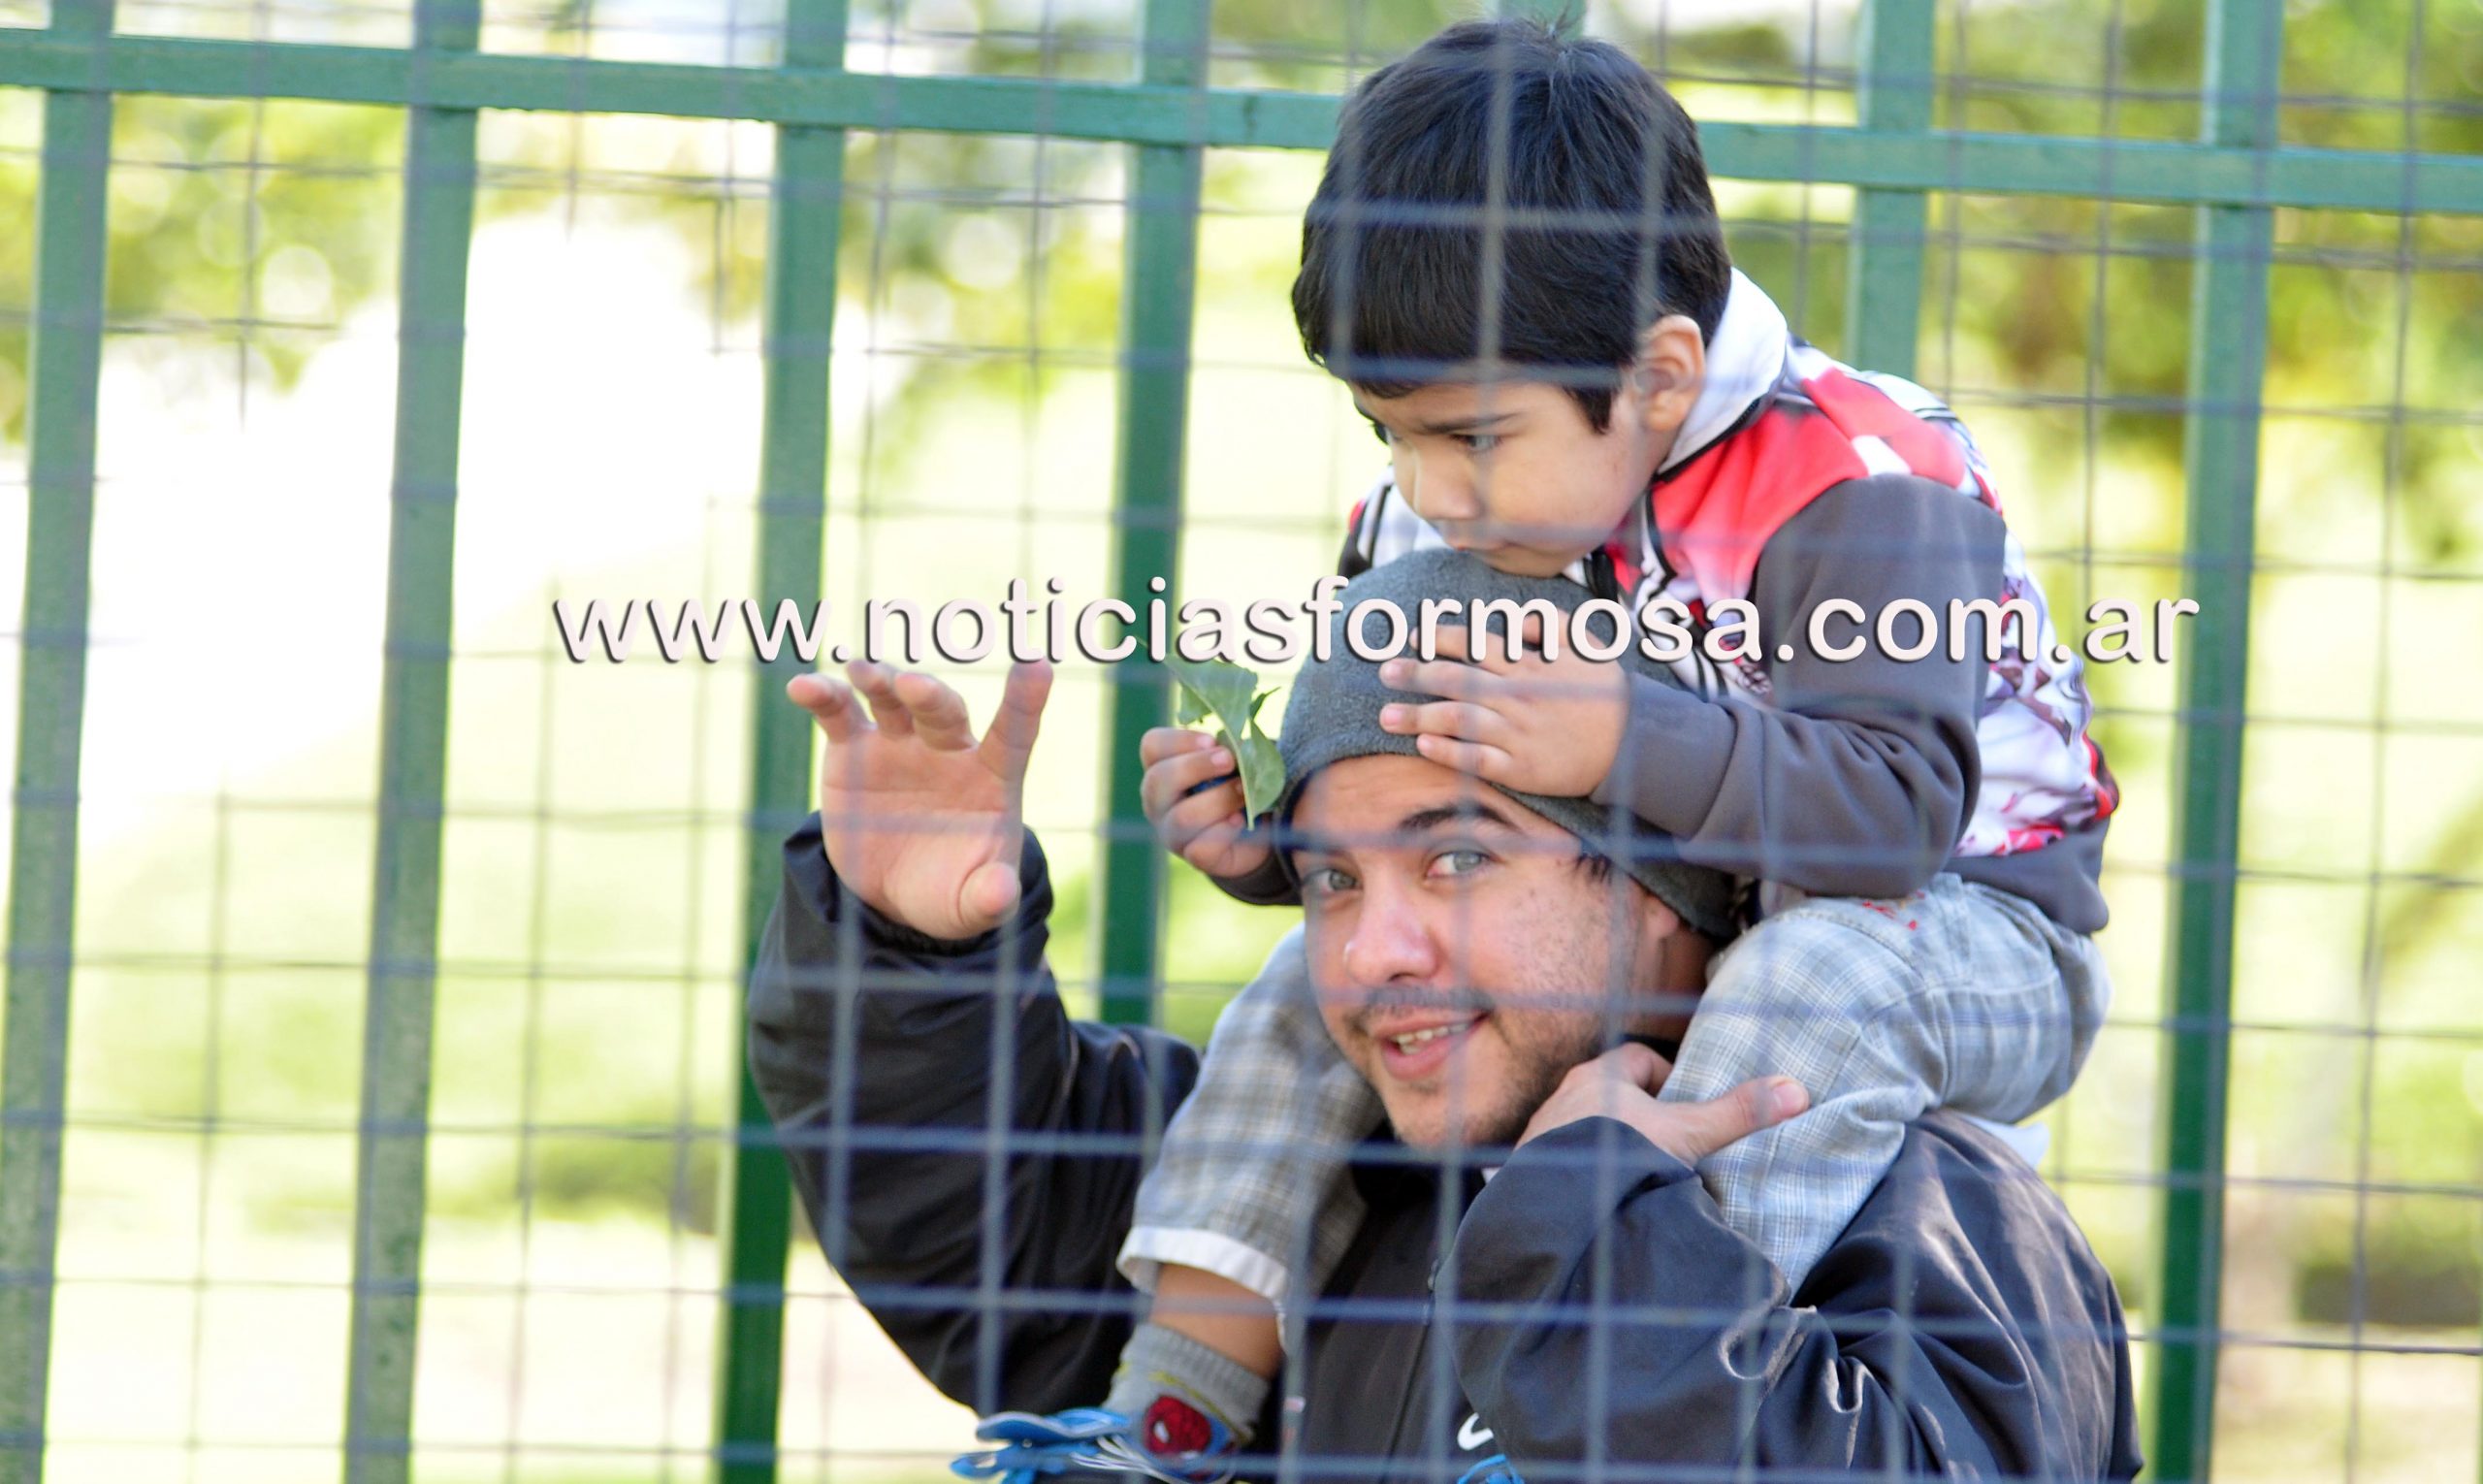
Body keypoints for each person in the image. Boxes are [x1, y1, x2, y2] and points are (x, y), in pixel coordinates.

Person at [1092, 18, 2120, 1474]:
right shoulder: (1460, 507)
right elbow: (1411, 807)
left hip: (1964, 928)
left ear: (1657, 372)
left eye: (1470, 436)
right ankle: (1165, 1410)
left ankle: (1599, 1396)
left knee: (1814, 969)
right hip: (1697, 907)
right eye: (1388, 429)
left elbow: (1897, 814)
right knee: (1302, 988)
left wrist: (1626, 735)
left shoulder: (1854, 479)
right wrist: (1275, 840)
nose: (1423, 488)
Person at [748, 552, 2143, 1483]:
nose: (1371, 952)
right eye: (1330, 881)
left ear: (1671, 887)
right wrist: (908, 950)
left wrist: (1598, 1230)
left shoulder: (1939, 1219)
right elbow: (983, 1251)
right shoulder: (1298, 1179)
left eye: (1459, 858)